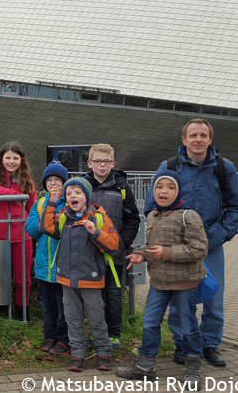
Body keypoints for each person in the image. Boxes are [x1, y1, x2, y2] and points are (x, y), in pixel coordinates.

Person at [143, 118, 238, 366]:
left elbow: (236, 204)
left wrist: (223, 234)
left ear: (210, 139)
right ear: (184, 140)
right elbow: (151, 206)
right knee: (181, 298)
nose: (198, 139)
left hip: (211, 245)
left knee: (214, 297)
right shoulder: (170, 166)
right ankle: (183, 345)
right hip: (176, 249)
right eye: (193, 135)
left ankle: (210, 344)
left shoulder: (224, 167)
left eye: (203, 135)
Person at [117, 171, 208, 390]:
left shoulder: (189, 215)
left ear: (178, 192)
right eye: (159, 187)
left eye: (170, 187)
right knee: (150, 322)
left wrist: (166, 253)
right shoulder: (153, 216)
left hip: (185, 283)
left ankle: (193, 368)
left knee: (187, 326)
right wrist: (142, 254)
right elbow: (151, 246)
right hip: (159, 283)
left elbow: (199, 249)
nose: (164, 191)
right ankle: (146, 366)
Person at [42, 177, 119, 372]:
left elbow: (113, 243)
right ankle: (77, 354)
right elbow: (46, 226)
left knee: (96, 318)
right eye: (69, 194)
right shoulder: (63, 217)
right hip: (67, 278)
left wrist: (96, 232)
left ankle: (103, 352)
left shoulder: (98, 217)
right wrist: (52, 201)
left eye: (77, 192)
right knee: (72, 319)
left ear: (86, 196)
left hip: (91, 279)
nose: (72, 196)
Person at [84, 144, 141, 351]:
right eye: (97, 161)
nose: (102, 165)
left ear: (113, 163)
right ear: (89, 163)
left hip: (114, 252)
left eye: (106, 161)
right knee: (92, 296)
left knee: (114, 294)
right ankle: (96, 334)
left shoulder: (122, 187)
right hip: (89, 253)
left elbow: (132, 218)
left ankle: (114, 336)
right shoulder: (83, 186)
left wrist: (122, 244)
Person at [0, 141, 37, 319]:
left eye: (15, 158)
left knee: (23, 279)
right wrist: (16, 195)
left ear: (21, 160)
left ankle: (23, 314)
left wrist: (31, 229)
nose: (11, 161)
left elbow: (32, 207)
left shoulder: (27, 180)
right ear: (1, 159)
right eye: (8, 157)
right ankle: (0, 314)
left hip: (22, 237)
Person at [26, 161, 70, 354]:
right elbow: (33, 230)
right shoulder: (40, 203)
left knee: (64, 307)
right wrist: (47, 210)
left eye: (57, 180)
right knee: (48, 306)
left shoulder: (70, 203)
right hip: (44, 265)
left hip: (63, 265)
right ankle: (49, 336)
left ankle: (63, 339)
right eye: (50, 180)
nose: (54, 184)